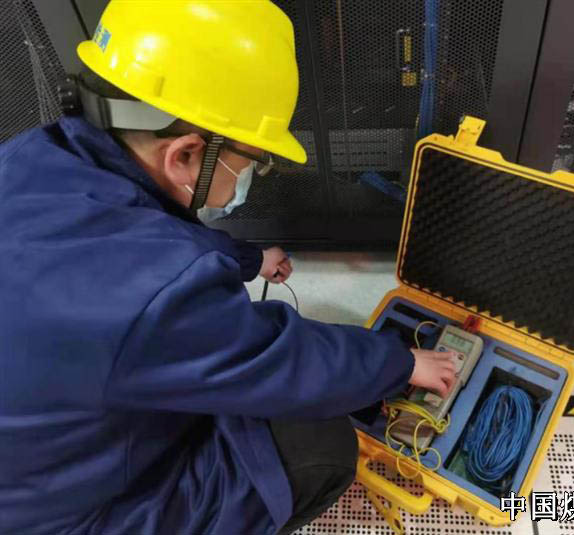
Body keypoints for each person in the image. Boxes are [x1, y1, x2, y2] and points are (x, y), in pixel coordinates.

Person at [0, 2, 457, 534]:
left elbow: (137, 236)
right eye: (253, 161)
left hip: (40, 458)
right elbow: (282, 360)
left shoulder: (30, 157)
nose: (252, 176)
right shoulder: (153, 300)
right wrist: (400, 362)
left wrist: (249, 259)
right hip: (65, 518)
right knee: (318, 447)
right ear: (185, 156)